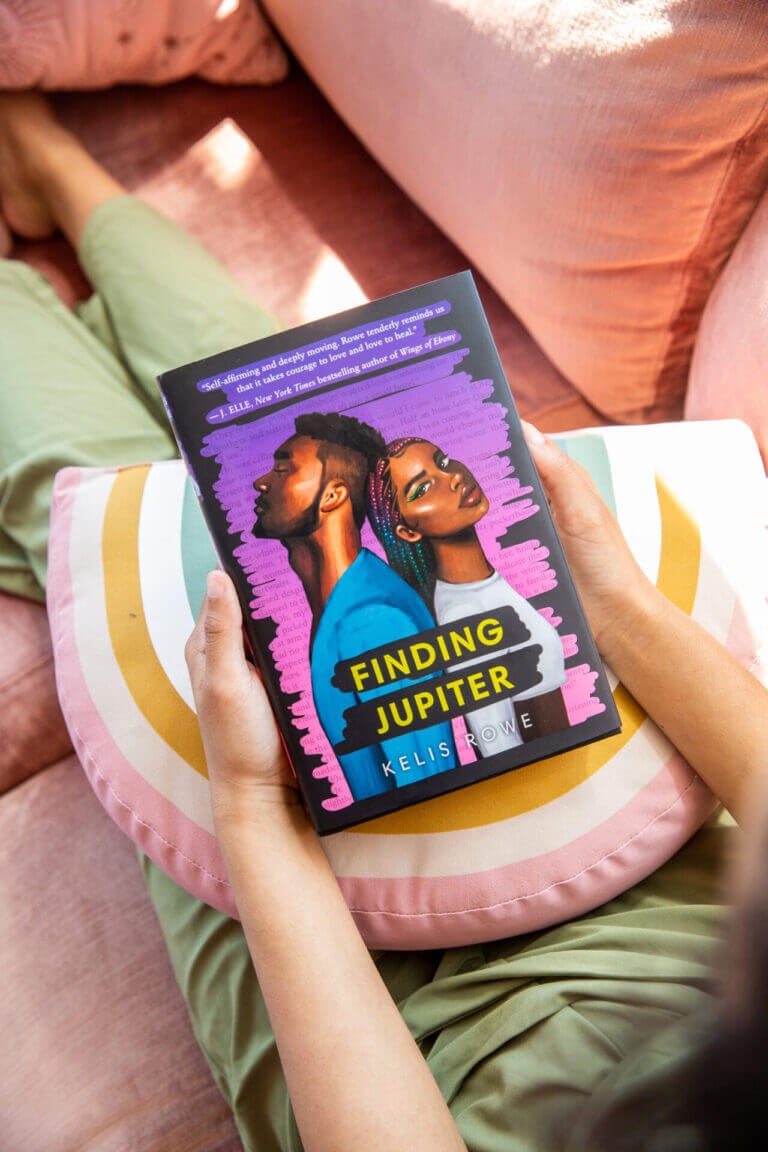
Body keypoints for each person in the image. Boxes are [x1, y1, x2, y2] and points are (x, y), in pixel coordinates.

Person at [2, 90, 768, 1152]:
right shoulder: (388, 577)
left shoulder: (368, 601)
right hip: (673, 857)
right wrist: (622, 605)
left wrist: (250, 803)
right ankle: (53, 168)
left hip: (391, 1030)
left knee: (88, 516)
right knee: (255, 390)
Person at [251, 411, 459, 801]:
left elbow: (431, 789)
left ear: (333, 496)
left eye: (282, 470)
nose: (260, 482)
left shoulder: (372, 622)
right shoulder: (347, 605)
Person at [367, 436, 568, 752]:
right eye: (423, 488)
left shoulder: (485, 589)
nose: (453, 477)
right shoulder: (464, 616)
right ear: (408, 531)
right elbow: (496, 745)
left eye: (443, 462)